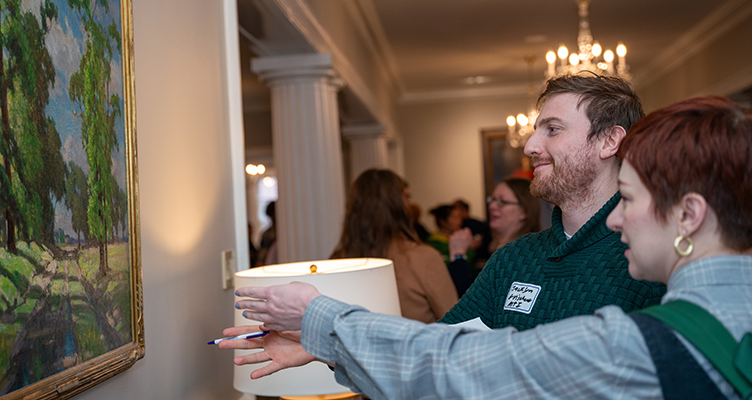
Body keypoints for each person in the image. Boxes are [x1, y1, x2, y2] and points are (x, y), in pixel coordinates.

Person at [222, 96, 752, 399]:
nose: (617, 217)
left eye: (630, 198)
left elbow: (463, 368)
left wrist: (322, 320)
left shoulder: (641, 342)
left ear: (689, 214)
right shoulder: (517, 257)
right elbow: (447, 342)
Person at [440, 73, 665, 329]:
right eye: (536, 130)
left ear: (609, 141)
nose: (529, 147)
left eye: (552, 130)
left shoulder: (652, 262)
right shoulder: (512, 259)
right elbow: (438, 347)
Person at [329, 169, 458, 323]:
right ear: (398, 205)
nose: (410, 203)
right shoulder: (423, 258)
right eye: (407, 196)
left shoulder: (337, 261)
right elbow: (456, 324)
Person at [428, 204, 481, 297]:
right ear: (443, 221)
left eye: (460, 217)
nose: (459, 220)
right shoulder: (435, 242)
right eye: (455, 217)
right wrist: (469, 249)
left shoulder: (458, 237)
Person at [485, 177, 540, 252]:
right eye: (493, 199)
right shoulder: (492, 246)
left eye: (502, 202)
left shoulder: (526, 253)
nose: (492, 206)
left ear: (524, 211)